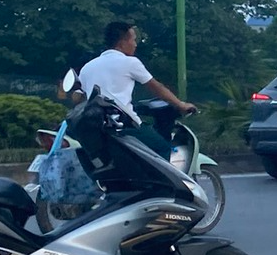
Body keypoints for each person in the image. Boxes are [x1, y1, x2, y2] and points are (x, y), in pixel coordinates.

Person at [77, 21, 194, 158]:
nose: (135, 44)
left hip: (97, 130)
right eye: (133, 40)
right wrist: (181, 105)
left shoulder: (87, 68)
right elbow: (157, 88)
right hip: (125, 127)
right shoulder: (130, 62)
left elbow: (81, 97)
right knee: (161, 148)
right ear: (122, 43)